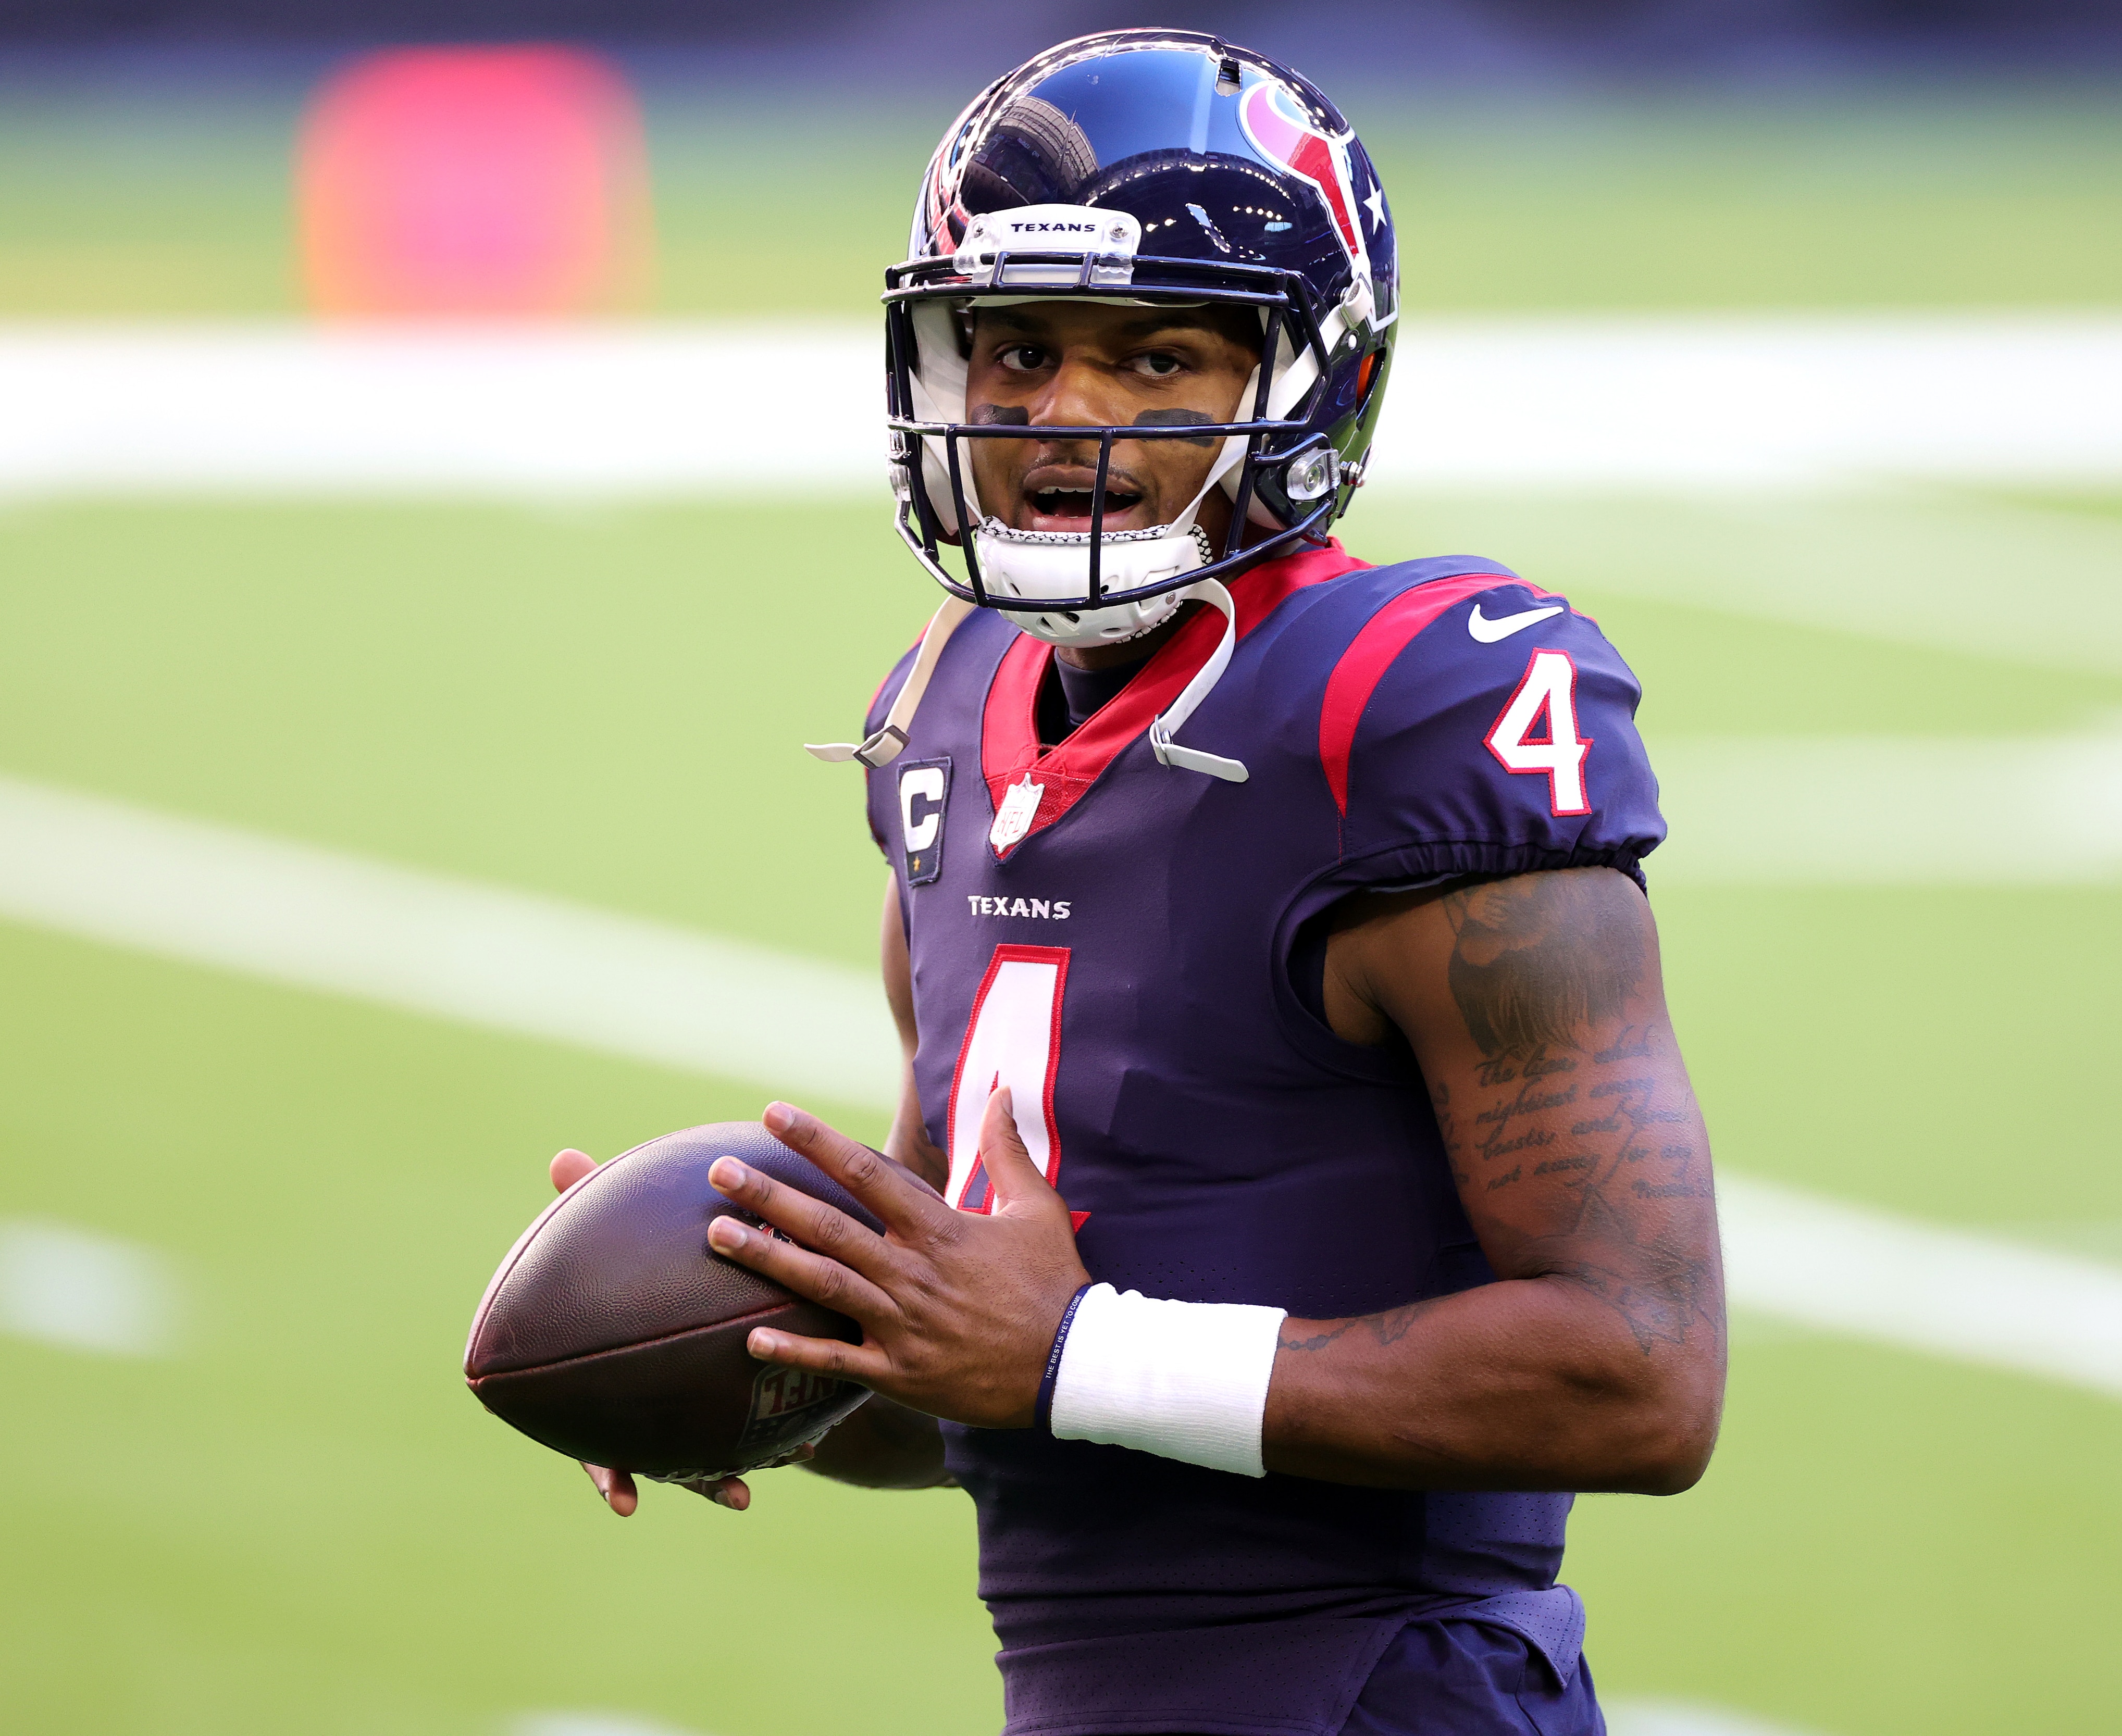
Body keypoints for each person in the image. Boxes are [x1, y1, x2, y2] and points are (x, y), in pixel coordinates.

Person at [546, 30, 1724, 1736]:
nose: (1065, 418)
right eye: (1020, 351)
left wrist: (1073, 1352)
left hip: (1386, 1691)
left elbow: (1640, 1377)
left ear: (1307, 385)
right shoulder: (945, 712)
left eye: (1157, 357)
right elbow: (985, 1381)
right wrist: (757, 1348)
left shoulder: (1399, 706)